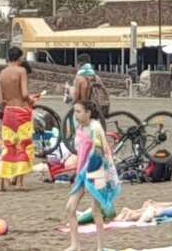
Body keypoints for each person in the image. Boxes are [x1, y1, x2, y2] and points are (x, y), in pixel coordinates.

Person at [64, 100, 121, 251]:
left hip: (97, 171)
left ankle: (100, 247)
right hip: (82, 171)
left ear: (88, 113)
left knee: (96, 210)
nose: (75, 115)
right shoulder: (80, 127)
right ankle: (75, 245)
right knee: (70, 208)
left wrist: (93, 178)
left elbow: (100, 152)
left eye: (79, 111)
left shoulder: (95, 128)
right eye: (74, 111)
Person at [0, 46, 39, 192]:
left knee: (8, 146)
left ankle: (3, 181)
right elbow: (24, 93)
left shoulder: (2, 73)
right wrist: (32, 99)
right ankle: (20, 182)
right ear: (20, 58)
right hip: (21, 111)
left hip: (8, 112)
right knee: (23, 145)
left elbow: (1, 99)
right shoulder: (21, 71)